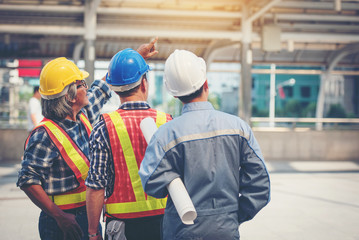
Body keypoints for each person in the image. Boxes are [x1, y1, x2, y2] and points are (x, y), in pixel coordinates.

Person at [16, 39, 158, 240]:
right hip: (60, 222)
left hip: (86, 215)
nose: (87, 87)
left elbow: (104, 85)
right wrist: (59, 216)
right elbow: (27, 180)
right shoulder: (43, 134)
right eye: (82, 84)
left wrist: (135, 57)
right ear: (70, 97)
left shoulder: (83, 116)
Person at [139, 49, 271, 240]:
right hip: (226, 229)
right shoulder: (239, 128)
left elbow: (152, 184)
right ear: (206, 83)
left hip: (181, 231)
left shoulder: (164, 136)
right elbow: (260, 185)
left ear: (175, 95)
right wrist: (233, 215)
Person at [85, 48, 172, 240]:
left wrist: (92, 232)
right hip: (164, 224)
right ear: (144, 83)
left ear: (114, 88)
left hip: (121, 227)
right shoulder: (166, 122)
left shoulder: (103, 126)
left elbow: (96, 185)